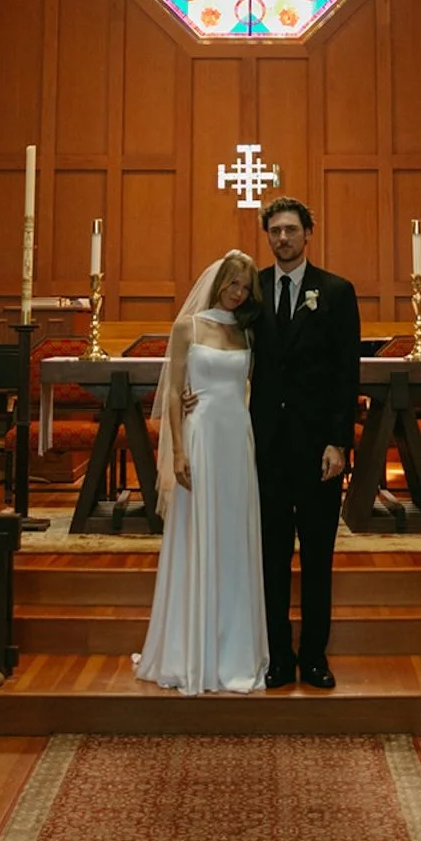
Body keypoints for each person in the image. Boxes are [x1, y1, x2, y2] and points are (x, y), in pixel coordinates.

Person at [134, 250, 268, 694]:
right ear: (217, 282)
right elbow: (173, 392)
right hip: (202, 437)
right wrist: (177, 453)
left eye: (245, 287)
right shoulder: (187, 327)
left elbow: (251, 385)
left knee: (234, 536)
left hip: (238, 439)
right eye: (232, 284)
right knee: (198, 535)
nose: (237, 293)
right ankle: (190, 648)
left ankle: (234, 647)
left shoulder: (246, 331)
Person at [250, 195, 361, 691]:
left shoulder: (336, 292)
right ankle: (278, 656)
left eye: (291, 229)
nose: (283, 238)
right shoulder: (250, 291)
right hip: (266, 449)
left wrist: (339, 442)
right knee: (271, 557)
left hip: (318, 450)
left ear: (308, 234)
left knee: (317, 556)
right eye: (275, 231)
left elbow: (346, 374)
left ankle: (315, 656)